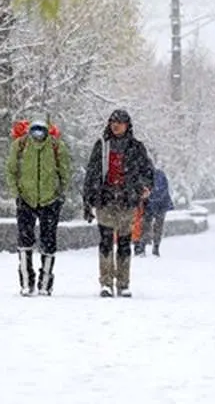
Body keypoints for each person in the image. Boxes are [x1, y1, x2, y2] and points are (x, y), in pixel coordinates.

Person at [82, 109, 154, 297]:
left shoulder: (136, 148)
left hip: (127, 201)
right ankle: (106, 282)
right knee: (105, 241)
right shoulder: (102, 146)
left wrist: (144, 187)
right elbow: (92, 173)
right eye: (113, 122)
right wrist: (88, 199)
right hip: (105, 200)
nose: (116, 125)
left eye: (120, 122)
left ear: (127, 125)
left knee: (124, 242)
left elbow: (147, 171)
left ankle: (123, 283)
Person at [6, 118, 72, 296]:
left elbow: (65, 172)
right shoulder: (19, 146)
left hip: (50, 200)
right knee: (24, 241)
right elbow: (11, 170)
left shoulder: (57, 147)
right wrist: (17, 194)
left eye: (41, 131)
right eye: (34, 130)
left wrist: (59, 195)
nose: (37, 134)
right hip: (25, 199)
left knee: (49, 242)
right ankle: (27, 281)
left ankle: (45, 283)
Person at [135, 165, 174, 256]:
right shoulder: (160, 174)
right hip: (159, 204)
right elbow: (165, 189)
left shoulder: (146, 175)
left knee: (147, 225)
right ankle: (154, 247)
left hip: (152, 204)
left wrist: (149, 198)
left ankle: (144, 246)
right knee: (157, 227)